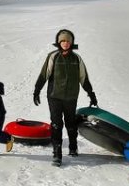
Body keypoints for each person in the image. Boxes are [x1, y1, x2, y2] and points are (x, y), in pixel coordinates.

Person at [33, 29, 98, 165]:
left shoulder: (76, 59)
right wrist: (37, 90)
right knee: (56, 124)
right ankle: (57, 154)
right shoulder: (53, 56)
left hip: (71, 97)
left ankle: (73, 147)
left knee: (71, 123)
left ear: (71, 42)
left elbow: (83, 78)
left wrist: (91, 94)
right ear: (59, 42)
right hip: (54, 96)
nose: (65, 43)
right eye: (63, 41)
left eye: (68, 41)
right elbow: (44, 74)